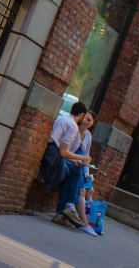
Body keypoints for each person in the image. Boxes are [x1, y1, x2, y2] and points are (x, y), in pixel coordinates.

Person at [50, 101, 92, 229]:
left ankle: (63, 212)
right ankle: (69, 206)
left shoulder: (63, 118)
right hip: (53, 156)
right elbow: (63, 152)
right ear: (81, 114)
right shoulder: (73, 126)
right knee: (76, 171)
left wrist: (75, 161)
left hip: (52, 153)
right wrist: (82, 158)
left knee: (71, 171)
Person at [74, 110, 99, 237]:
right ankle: (85, 223)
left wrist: (87, 173)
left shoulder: (88, 135)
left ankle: (93, 222)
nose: (86, 121)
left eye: (89, 120)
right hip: (74, 162)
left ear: (92, 123)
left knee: (91, 190)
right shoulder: (75, 129)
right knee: (82, 191)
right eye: (85, 118)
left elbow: (87, 154)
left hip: (83, 165)